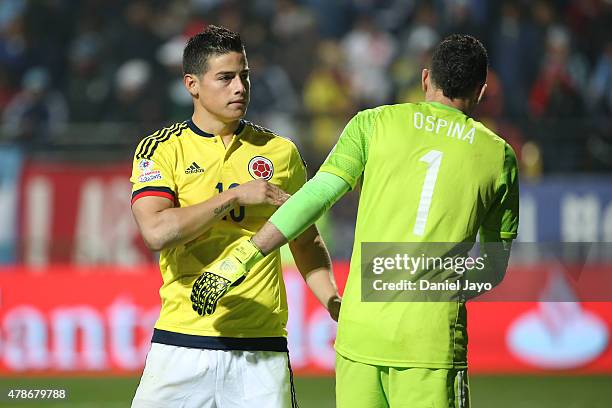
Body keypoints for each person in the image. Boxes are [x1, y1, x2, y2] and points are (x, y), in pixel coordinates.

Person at [193, 34, 519, 408]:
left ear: (426, 79)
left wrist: (243, 257)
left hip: (361, 332)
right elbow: (493, 266)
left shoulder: (374, 123)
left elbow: (315, 197)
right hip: (430, 342)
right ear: (481, 90)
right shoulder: (499, 156)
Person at [129, 25, 340, 408]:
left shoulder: (280, 152)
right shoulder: (161, 149)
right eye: (225, 78)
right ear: (192, 85)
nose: (240, 87)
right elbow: (157, 231)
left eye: (244, 76)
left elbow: (306, 242)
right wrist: (235, 196)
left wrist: (332, 302)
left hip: (260, 351)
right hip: (180, 343)